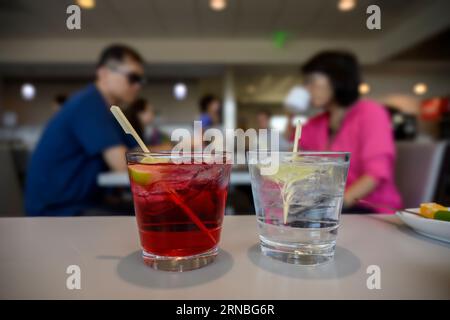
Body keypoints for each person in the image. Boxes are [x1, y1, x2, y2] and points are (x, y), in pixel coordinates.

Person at [25, 44, 145, 216]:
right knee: (150, 213)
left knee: (150, 210)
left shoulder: (109, 110)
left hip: (81, 202)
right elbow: (122, 164)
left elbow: (137, 152)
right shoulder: (89, 105)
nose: (138, 85)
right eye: (133, 78)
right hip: (58, 210)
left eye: (140, 80)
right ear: (104, 73)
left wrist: (175, 148)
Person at [292, 51, 402, 213]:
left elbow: (375, 174)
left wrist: (328, 208)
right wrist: (292, 109)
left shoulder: (371, 112)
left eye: (311, 81)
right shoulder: (318, 123)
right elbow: (296, 154)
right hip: (335, 208)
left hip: (370, 209)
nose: (306, 88)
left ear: (337, 79)